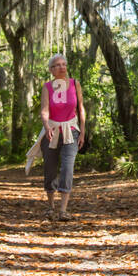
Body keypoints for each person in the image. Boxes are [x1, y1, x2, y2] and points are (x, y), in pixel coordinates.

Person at [39, 53, 85, 222]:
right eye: (57, 65)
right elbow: (44, 110)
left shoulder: (74, 84)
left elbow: (81, 108)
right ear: (51, 70)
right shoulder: (47, 87)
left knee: (67, 168)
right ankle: (50, 207)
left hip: (71, 130)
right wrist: (46, 126)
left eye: (64, 64)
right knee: (50, 169)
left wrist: (83, 131)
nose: (62, 67)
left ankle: (63, 210)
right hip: (51, 130)